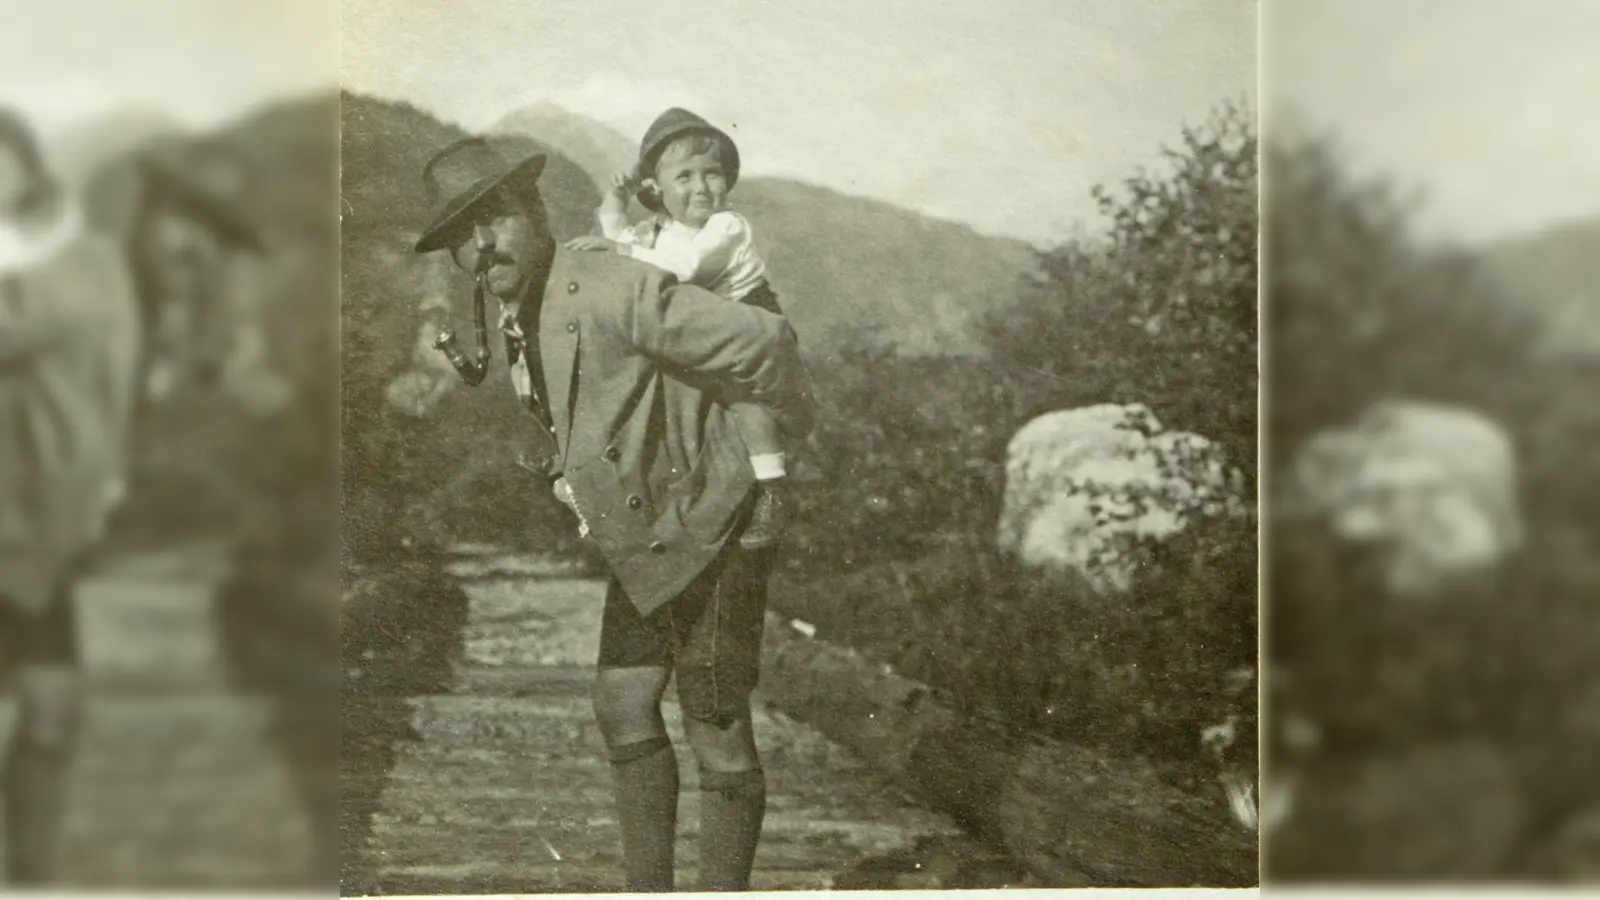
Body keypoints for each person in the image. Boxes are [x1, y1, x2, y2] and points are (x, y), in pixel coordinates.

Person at [411, 135, 813, 891]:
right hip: (651, 538)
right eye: (462, 237)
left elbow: (769, 342)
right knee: (622, 702)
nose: (480, 246)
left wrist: (760, 464)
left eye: (492, 221)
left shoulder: (606, 285)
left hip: (717, 524)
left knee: (716, 727)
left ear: (532, 213)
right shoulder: (516, 311)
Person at [0, 107, 141, 885]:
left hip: (47, 508)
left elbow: (112, 369)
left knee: (51, 706)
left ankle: (31, 873)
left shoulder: (83, 263)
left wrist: (107, 471)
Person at [565, 108, 793, 550]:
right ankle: (593, 473)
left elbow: (684, 268)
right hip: (701, 324)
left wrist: (618, 248)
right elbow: (621, 235)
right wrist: (617, 198)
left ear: (726, 181)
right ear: (657, 189)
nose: (701, 187)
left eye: (712, 174)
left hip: (747, 316)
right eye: (684, 178)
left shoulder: (726, 226)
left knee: (743, 398)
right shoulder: (660, 231)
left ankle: (772, 491)